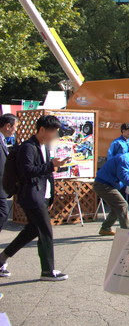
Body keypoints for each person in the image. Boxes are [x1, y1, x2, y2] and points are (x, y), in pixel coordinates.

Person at [0, 115, 70, 281]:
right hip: (30, 195)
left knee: (31, 231)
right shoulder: (28, 147)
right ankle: (48, 271)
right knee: (45, 231)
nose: (55, 135)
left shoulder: (44, 146)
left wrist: (51, 195)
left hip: (41, 195)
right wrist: (52, 165)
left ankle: (2, 258)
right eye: (53, 131)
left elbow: (46, 172)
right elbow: (27, 171)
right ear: (42, 130)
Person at [94, 145, 129, 236]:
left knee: (117, 207)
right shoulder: (126, 160)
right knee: (122, 205)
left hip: (106, 185)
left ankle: (105, 228)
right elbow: (123, 177)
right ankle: (128, 231)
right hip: (103, 185)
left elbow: (127, 181)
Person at [0, 114, 18, 232]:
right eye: (15, 127)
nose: (15, 130)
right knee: (3, 212)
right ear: (8, 126)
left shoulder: (3, 140)